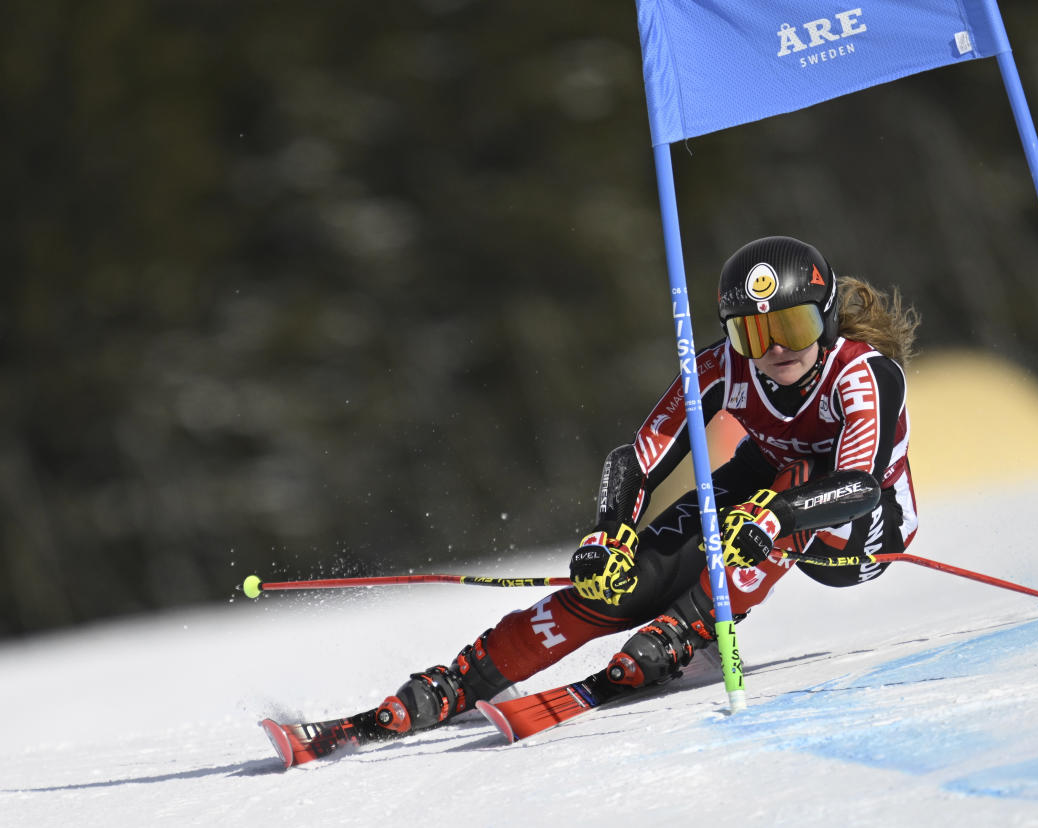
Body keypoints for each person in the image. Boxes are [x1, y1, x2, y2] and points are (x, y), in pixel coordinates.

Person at [331, 235, 919, 744]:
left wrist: (774, 519)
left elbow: (858, 484)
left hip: (861, 532)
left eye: (793, 326)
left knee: (784, 491)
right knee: (627, 576)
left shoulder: (863, 372)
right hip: (768, 490)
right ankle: (471, 674)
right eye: (753, 333)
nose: (774, 350)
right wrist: (607, 533)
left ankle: (690, 630)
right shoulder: (724, 369)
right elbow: (638, 454)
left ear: (827, 320)